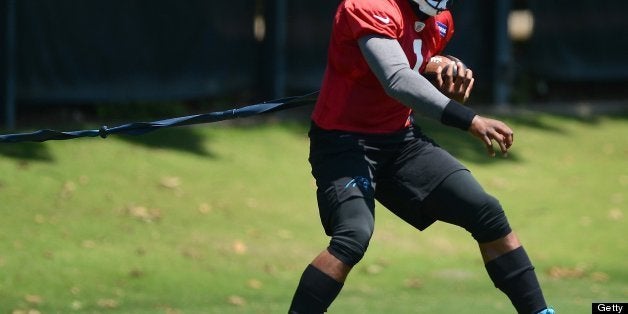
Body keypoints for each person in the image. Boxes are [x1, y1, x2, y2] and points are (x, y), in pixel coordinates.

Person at [288, 0, 554, 313]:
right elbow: (396, 78)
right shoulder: (369, 5)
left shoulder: (441, 20)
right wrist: (469, 119)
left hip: (401, 142)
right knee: (353, 236)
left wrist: (440, 65)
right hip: (344, 142)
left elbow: (411, 59)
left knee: (486, 211)